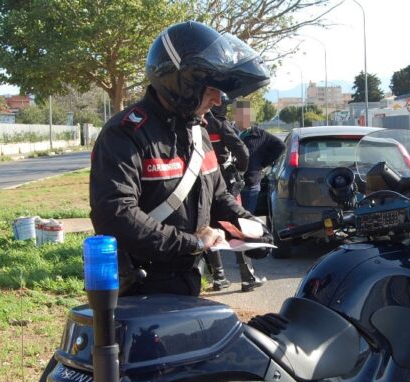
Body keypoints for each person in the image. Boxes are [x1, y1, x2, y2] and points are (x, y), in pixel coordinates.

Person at [89, 21, 271, 296]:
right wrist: (192, 243)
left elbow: (219, 198)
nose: (219, 101)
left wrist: (251, 228)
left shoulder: (199, 131)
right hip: (140, 286)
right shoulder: (125, 133)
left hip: (188, 279)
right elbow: (115, 214)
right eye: (211, 89)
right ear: (182, 84)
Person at [204, 102, 266, 292]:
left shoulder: (195, 124)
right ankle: (247, 277)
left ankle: (218, 277)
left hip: (202, 183)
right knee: (237, 226)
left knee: (208, 227)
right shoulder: (221, 125)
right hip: (225, 183)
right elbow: (243, 152)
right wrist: (239, 169)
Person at [240, 125, 286, 215]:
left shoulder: (260, 134)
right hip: (229, 185)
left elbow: (281, 146)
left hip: (250, 184)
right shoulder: (227, 129)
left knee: (246, 221)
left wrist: (262, 163)